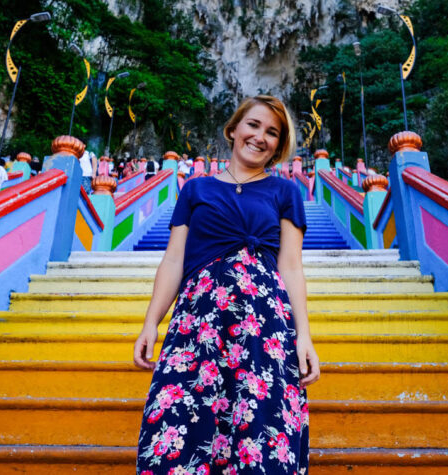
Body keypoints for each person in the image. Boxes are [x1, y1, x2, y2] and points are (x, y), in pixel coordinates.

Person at [134, 95, 318, 473]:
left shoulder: (285, 192)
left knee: (261, 424)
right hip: (197, 320)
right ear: (233, 129)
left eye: (272, 133)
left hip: (262, 321)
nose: (260, 137)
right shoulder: (196, 189)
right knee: (180, 416)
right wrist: (151, 321)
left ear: (278, 146)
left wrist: (304, 335)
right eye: (253, 125)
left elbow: (292, 267)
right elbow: (173, 260)